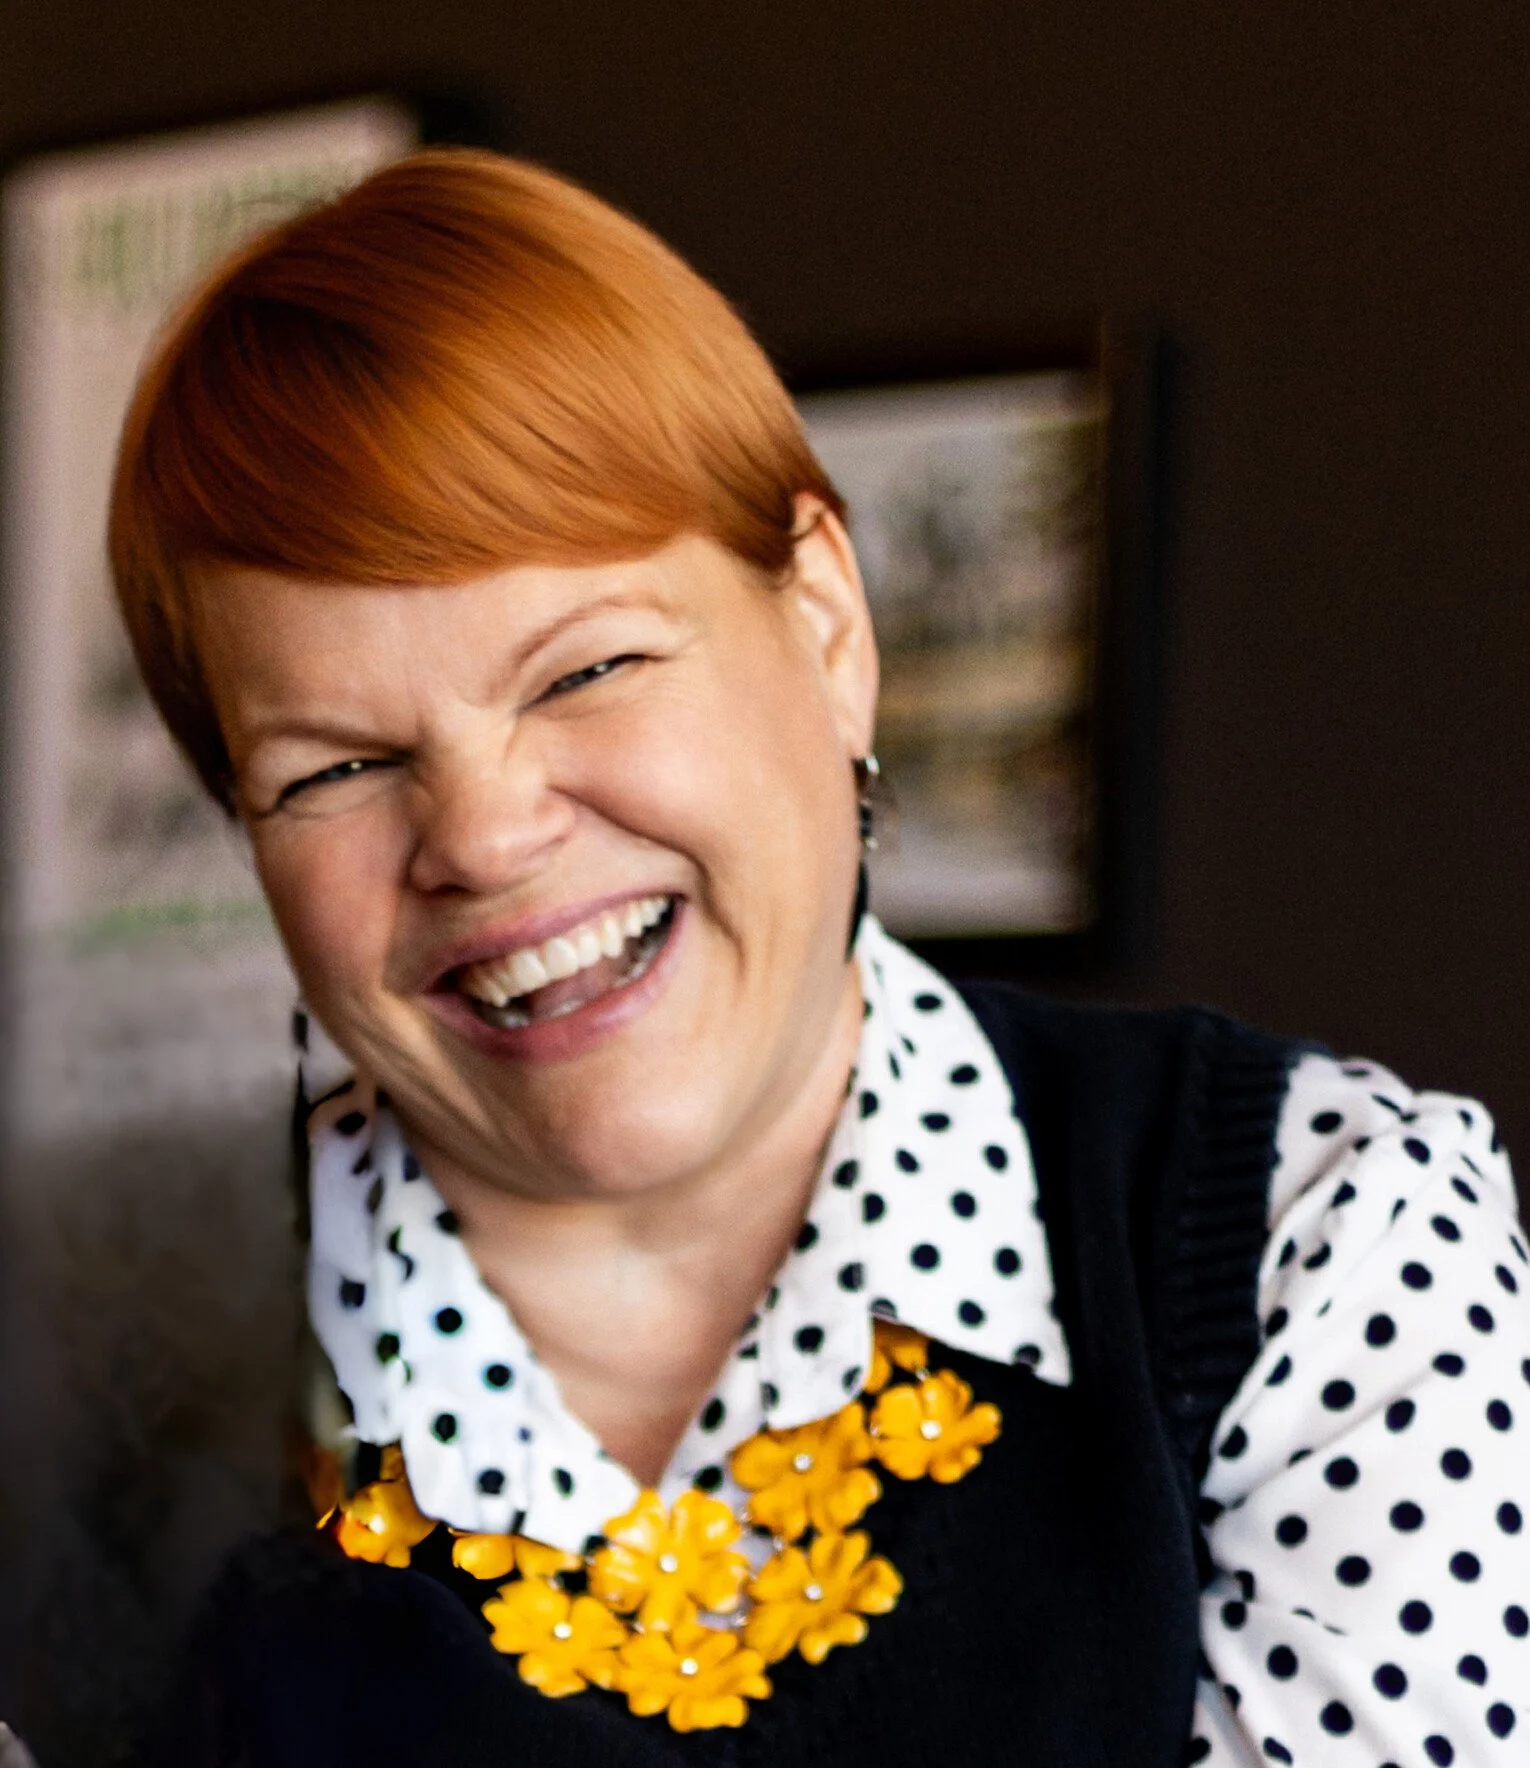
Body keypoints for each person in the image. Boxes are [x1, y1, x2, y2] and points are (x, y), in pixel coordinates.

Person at [109, 150, 1528, 1764]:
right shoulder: (97, 1391)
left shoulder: (1312, 1236)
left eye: (587, 669)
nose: (484, 837)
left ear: (826, 625)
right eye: (335, 770)